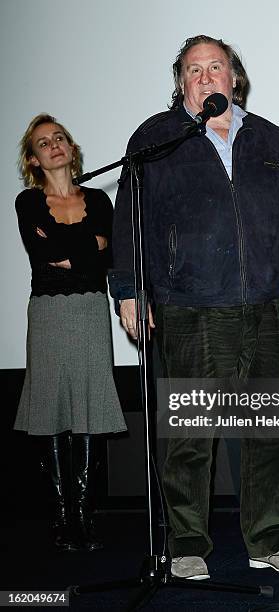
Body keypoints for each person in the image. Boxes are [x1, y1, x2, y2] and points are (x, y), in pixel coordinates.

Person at [109, 35, 279, 579]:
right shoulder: (156, 139)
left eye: (216, 67)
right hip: (189, 307)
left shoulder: (267, 137)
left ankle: (271, 540)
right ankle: (185, 544)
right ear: (181, 82)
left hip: (262, 306)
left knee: (270, 431)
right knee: (189, 435)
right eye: (193, 70)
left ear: (235, 78)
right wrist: (129, 289)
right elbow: (129, 218)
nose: (206, 77)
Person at [14, 113, 127, 552]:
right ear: (34, 158)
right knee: (51, 407)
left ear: (70, 148)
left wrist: (72, 251)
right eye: (44, 143)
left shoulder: (99, 200)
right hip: (47, 314)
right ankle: (62, 515)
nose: (54, 145)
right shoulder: (28, 202)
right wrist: (88, 247)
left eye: (59, 138)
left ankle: (83, 513)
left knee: (87, 406)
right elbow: (45, 254)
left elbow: (103, 254)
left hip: (90, 311)